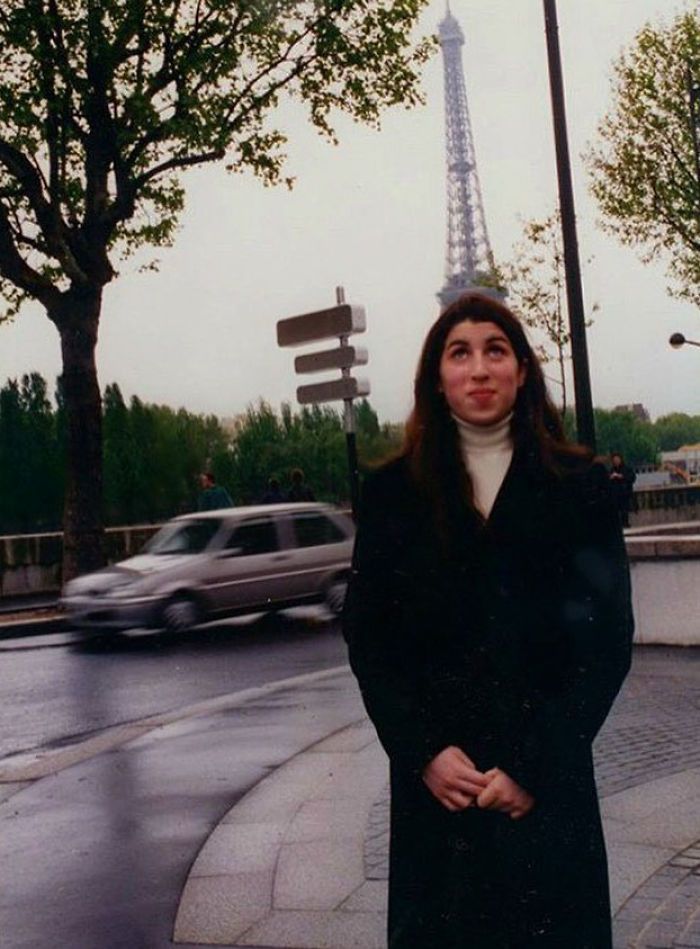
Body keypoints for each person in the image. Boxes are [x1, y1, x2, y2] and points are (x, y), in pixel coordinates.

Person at [342, 293, 634, 949]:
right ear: (436, 377)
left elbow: (607, 642)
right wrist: (424, 753)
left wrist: (534, 765)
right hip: (439, 795)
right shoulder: (392, 494)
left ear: (522, 371)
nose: (479, 368)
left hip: (547, 788)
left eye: (496, 350)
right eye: (460, 352)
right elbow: (370, 640)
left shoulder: (580, 486)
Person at [608, 451, 637, 527]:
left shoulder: (627, 469)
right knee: (617, 511)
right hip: (615, 494)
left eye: (617, 460)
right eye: (614, 460)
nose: (616, 461)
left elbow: (632, 478)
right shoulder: (611, 470)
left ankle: (625, 523)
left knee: (625, 510)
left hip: (625, 493)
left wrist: (621, 476)